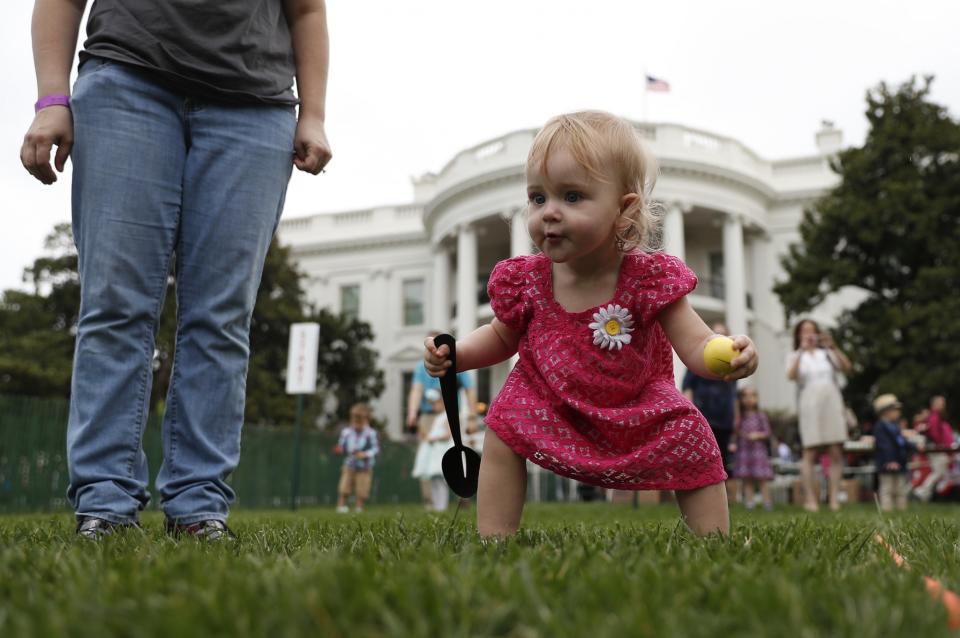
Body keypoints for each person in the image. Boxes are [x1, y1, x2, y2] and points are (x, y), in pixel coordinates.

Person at [20, 0, 332, 540]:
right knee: (116, 305)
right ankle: (105, 504)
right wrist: (52, 97)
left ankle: (198, 505)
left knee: (222, 316)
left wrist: (315, 114)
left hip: (255, 107)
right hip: (125, 83)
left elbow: (306, 10)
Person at [423, 111, 759, 538]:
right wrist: (457, 354)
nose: (549, 213)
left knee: (692, 432)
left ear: (624, 209)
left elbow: (696, 346)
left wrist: (729, 355)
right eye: (538, 198)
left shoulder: (648, 278)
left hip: (636, 401)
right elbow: (500, 336)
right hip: (548, 399)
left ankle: (715, 542)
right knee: (504, 425)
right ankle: (493, 539)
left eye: (572, 196)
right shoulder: (526, 280)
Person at [786, 319, 852, 512]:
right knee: (810, 451)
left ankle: (833, 499)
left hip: (831, 400)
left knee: (835, 450)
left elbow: (846, 367)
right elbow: (791, 376)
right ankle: (811, 500)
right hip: (809, 402)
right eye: (805, 331)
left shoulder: (827, 354)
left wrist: (833, 347)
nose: (809, 335)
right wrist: (801, 351)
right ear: (798, 335)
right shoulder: (794, 355)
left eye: (812, 331)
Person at [406, 332, 477, 507]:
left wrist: (472, 418)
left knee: (459, 454)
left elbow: (470, 390)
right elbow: (416, 389)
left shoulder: (456, 361)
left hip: (451, 416)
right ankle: (431, 502)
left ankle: (463, 495)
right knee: (428, 458)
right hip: (429, 416)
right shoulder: (420, 367)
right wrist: (412, 413)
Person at [682, 321, 738, 500]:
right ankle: (702, 498)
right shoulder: (699, 359)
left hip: (724, 417)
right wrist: (691, 414)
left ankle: (726, 499)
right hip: (704, 416)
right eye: (716, 333)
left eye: (723, 334)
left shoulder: (732, 359)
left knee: (723, 458)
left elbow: (734, 392)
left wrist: (736, 416)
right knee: (702, 458)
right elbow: (687, 387)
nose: (720, 336)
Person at [730, 387, 774, 510]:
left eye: (752, 395)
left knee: (762, 479)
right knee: (747, 479)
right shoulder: (740, 417)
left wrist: (757, 435)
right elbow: (735, 430)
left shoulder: (761, 416)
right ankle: (750, 503)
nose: (749, 399)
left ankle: (767, 503)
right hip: (744, 452)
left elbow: (767, 432)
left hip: (758, 451)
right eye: (745, 396)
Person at [410, 389, 454, 512]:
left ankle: (441, 506)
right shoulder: (438, 417)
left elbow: (448, 435)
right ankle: (436, 506)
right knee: (434, 480)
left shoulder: (447, 416)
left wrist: (432, 438)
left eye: (434, 403)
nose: (432, 406)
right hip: (433, 453)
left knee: (440, 481)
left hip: (441, 452)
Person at [872, 394, 915, 512]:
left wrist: (913, 446)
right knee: (887, 487)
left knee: (901, 487)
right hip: (887, 463)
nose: (898, 412)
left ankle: (902, 508)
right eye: (895, 409)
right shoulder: (880, 427)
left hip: (899, 462)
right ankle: (887, 509)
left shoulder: (894, 426)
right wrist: (890, 460)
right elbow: (885, 445)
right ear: (886, 411)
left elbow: (900, 441)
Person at [335, 403, 379, 513]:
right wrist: (340, 449)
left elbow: (376, 449)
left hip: (365, 466)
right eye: (354, 417)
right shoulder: (346, 432)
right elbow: (342, 445)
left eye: (359, 418)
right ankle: (341, 507)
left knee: (362, 488)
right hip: (349, 464)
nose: (356, 420)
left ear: (366, 419)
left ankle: (359, 508)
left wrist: (365, 454)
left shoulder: (371, 433)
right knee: (344, 486)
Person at [913, 396, 955, 502]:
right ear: (934, 404)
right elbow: (935, 433)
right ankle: (922, 491)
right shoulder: (934, 416)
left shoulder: (934, 416)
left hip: (936, 446)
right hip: (936, 447)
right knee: (939, 471)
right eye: (941, 403)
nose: (943, 405)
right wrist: (940, 445)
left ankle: (925, 493)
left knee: (939, 471)